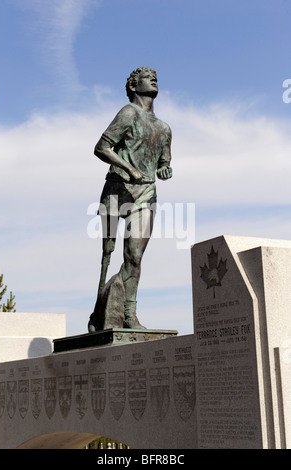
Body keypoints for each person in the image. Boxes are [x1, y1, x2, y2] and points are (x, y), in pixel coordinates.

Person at [91, 66, 172, 330]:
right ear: (134, 87)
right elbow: (101, 148)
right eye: (148, 78)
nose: (154, 79)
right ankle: (97, 314)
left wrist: (164, 169)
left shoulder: (164, 128)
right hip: (118, 188)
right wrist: (128, 168)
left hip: (146, 192)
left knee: (134, 255)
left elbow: (163, 163)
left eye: (155, 77)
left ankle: (128, 314)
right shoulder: (128, 113)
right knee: (107, 252)